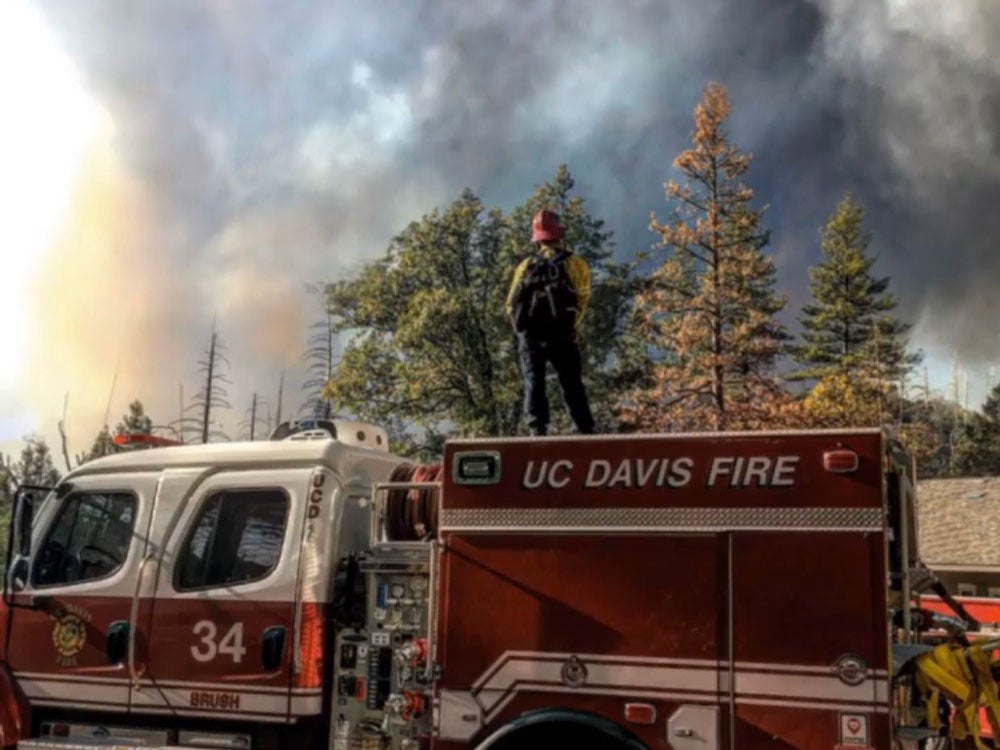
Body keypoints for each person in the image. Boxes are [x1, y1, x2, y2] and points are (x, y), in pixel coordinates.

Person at [506, 208, 595, 436]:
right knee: (571, 382)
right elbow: (582, 299)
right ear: (559, 235)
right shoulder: (575, 263)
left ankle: (537, 428)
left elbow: (510, 304)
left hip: (532, 338)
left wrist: (523, 331)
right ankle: (583, 428)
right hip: (563, 335)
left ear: (537, 239)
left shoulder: (525, 266)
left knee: (533, 381)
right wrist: (570, 326)